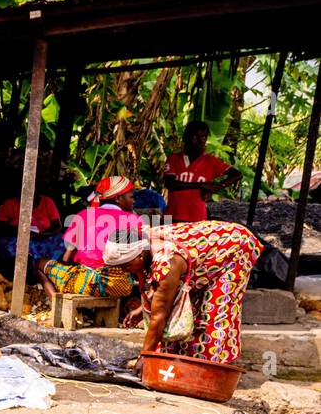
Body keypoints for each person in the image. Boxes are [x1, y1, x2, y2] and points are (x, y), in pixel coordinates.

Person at [141, 220, 262, 364]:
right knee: (185, 311)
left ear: (140, 256)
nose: (124, 271)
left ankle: (211, 367)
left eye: (126, 266)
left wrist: (144, 356)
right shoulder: (141, 242)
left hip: (235, 247)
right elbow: (159, 289)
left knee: (215, 311)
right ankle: (178, 360)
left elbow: (159, 316)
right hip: (205, 254)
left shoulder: (167, 262)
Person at [37, 176, 146, 300]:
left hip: (89, 283)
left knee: (40, 263)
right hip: (122, 285)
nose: (134, 201)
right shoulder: (135, 220)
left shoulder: (83, 215)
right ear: (117, 198)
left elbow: (67, 257)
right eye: (131, 196)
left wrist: (66, 270)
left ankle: (56, 300)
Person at [163, 120, 242, 223]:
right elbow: (171, 184)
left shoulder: (211, 161)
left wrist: (219, 186)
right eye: (195, 136)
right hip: (172, 216)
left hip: (198, 217)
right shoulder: (173, 159)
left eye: (204, 137)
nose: (200, 141)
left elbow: (237, 174)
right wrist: (202, 185)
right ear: (186, 137)